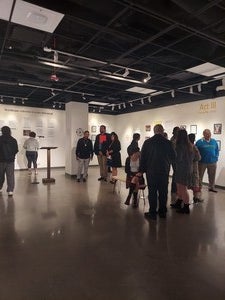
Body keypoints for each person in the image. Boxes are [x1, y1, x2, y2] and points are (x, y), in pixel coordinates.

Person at [139, 124, 176, 220]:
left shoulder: (148, 142)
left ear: (154, 131)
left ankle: (152, 213)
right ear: (162, 130)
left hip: (151, 172)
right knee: (163, 192)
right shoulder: (168, 143)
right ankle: (162, 212)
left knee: (152, 192)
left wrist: (141, 171)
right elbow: (173, 157)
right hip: (164, 171)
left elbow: (143, 158)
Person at [174, 129, 194, 214]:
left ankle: (186, 207)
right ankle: (179, 202)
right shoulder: (190, 145)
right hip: (187, 168)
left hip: (182, 169)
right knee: (180, 187)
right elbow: (195, 157)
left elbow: (178, 158)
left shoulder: (180, 146)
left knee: (182, 188)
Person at [0, 126, 18, 196]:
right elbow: (16, 150)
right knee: (10, 176)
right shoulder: (13, 140)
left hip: (0, 161)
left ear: (2, 131)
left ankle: (0, 188)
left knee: (0, 175)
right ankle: (10, 190)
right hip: (10, 161)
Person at [188, 133, 203, 203]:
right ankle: (196, 197)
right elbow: (198, 157)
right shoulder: (194, 147)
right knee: (195, 182)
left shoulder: (185, 146)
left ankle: (182, 199)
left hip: (187, 168)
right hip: (194, 167)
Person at [170, 126, 180, 206]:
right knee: (176, 173)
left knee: (176, 173)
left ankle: (175, 189)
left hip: (177, 159)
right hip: (175, 159)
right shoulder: (172, 139)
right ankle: (174, 189)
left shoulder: (175, 139)